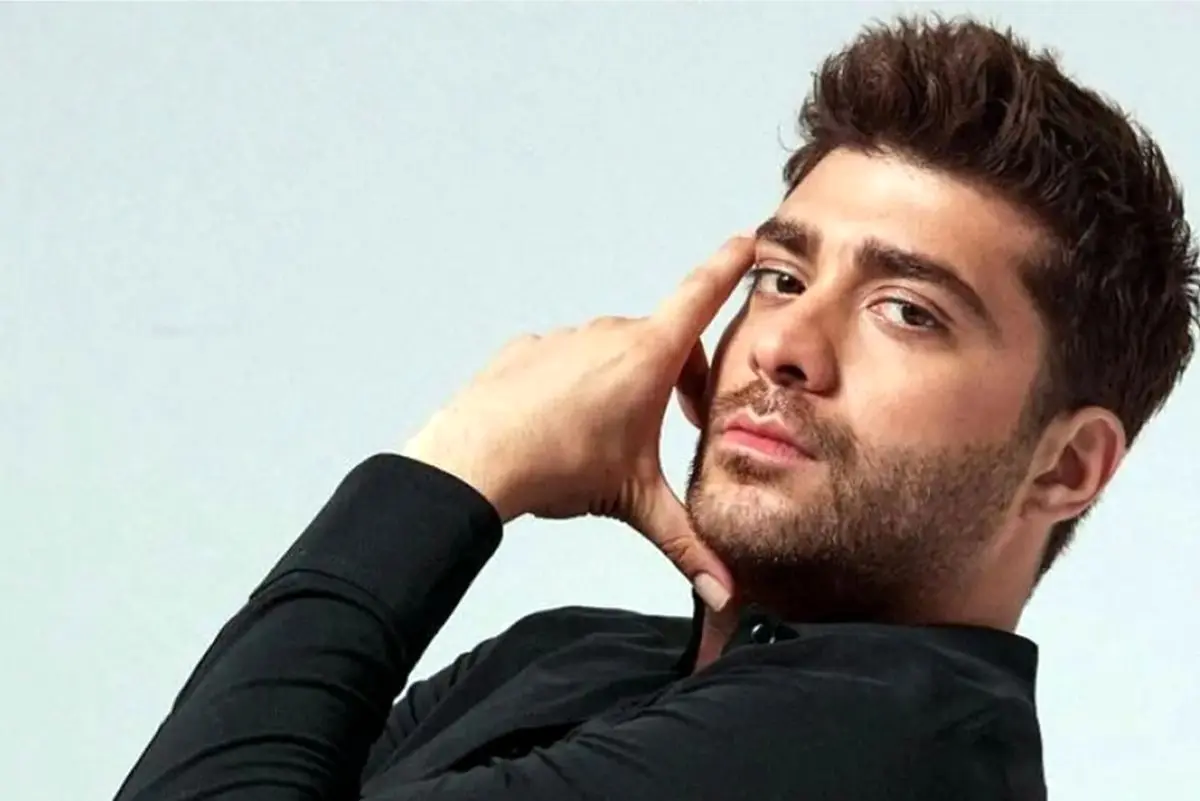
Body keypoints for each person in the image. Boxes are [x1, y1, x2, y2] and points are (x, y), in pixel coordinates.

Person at [115, 16, 1197, 801]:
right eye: (780, 277)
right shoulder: (564, 655)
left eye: (907, 311)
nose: (782, 345)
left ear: (1066, 466)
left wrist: (455, 468)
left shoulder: (892, 743)